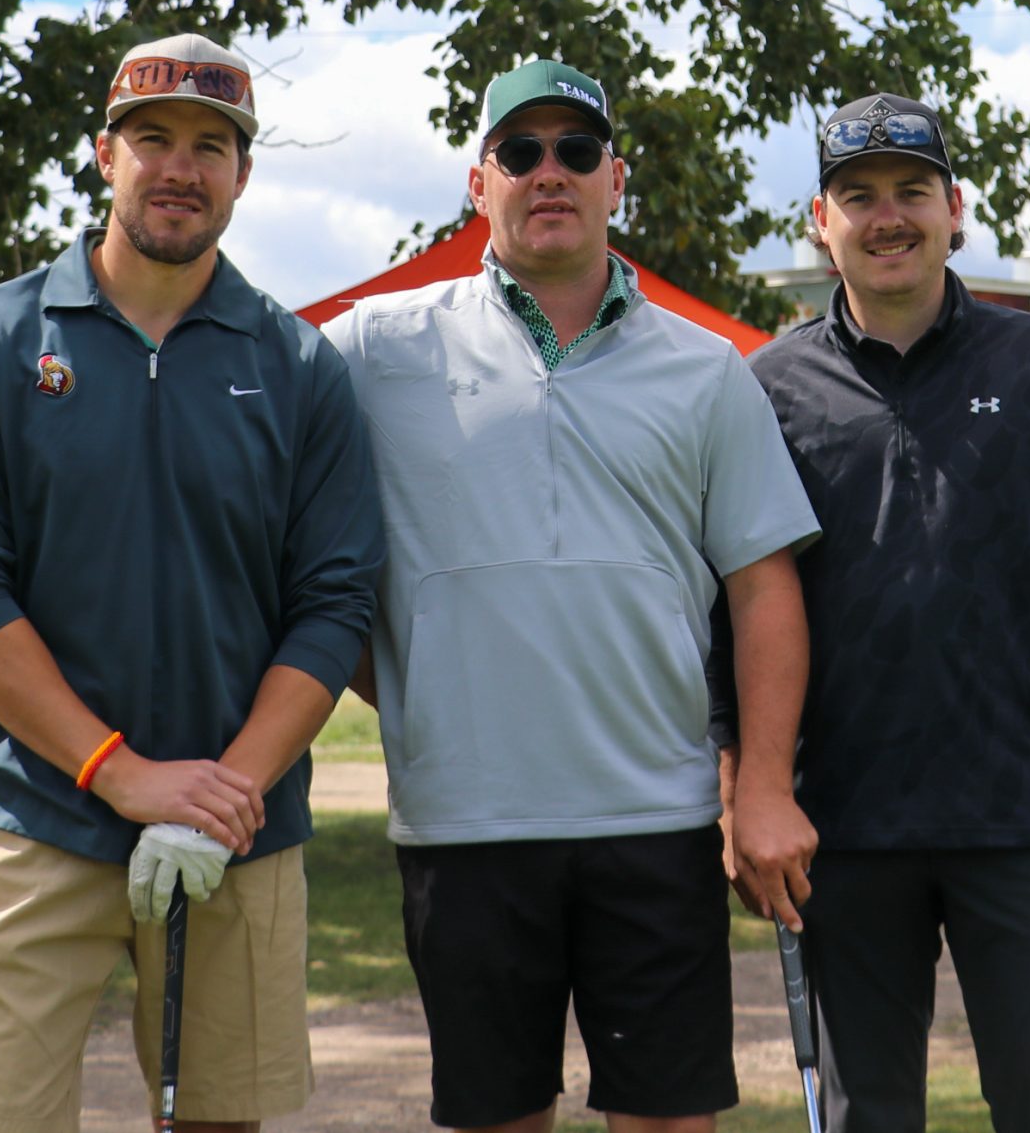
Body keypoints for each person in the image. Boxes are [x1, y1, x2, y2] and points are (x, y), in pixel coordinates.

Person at [0, 33, 384, 1133]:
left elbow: (332, 602)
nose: (182, 168)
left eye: (213, 146)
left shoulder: (299, 364)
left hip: (239, 827)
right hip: (33, 817)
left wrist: (220, 794)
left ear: (243, 176)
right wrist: (118, 773)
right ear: (102, 154)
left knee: (218, 1121)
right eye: (152, 139)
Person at [326, 59, 820, 1133]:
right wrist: (409, 682)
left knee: (668, 1120)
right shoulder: (371, 347)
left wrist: (765, 788)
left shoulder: (705, 368)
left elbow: (762, 586)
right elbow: (307, 562)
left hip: (658, 818)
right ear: (478, 181)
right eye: (520, 152)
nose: (549, 172)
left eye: (577, 152)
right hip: (462, 825)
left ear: (615, 180)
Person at [713, 93, 1030, 1133]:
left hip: (1020, 812)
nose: (889, 218)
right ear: (818, 220)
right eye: (860, 196)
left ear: (955, 208)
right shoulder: (764, 388)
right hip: (841, 820)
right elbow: (733, 600)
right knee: (866, 1115)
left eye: (911, 193)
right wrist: (742, 785)